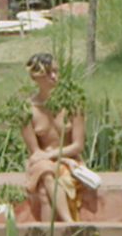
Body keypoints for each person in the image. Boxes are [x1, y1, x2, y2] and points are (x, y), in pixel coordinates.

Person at [22, 52, 95, 222]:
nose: (54, 77)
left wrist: (61, 158)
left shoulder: (72, 104)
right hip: (43, 163)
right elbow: (35, 152)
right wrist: (55, 158)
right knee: (46, 173)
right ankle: (68, 223)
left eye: (55, 71)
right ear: (35, 77)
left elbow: (78, 145)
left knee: (45, 188)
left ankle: (53, 232)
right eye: (47, 73)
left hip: (70, 160)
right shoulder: (27, 109)